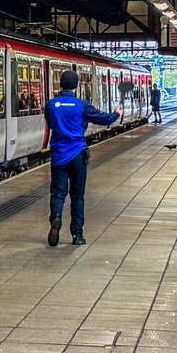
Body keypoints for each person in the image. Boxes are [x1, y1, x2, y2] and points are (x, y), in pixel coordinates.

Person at [45, 69, 123, 247]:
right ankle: (77, 235)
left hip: (59, 155)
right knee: (77, 195)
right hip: (77, 154)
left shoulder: (51, 105)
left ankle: (56, 217)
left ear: (60, 84)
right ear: (76, 85)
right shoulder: (82, 105)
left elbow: (51, 123)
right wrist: (116, 114)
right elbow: (102, 119)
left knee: (57, 193)